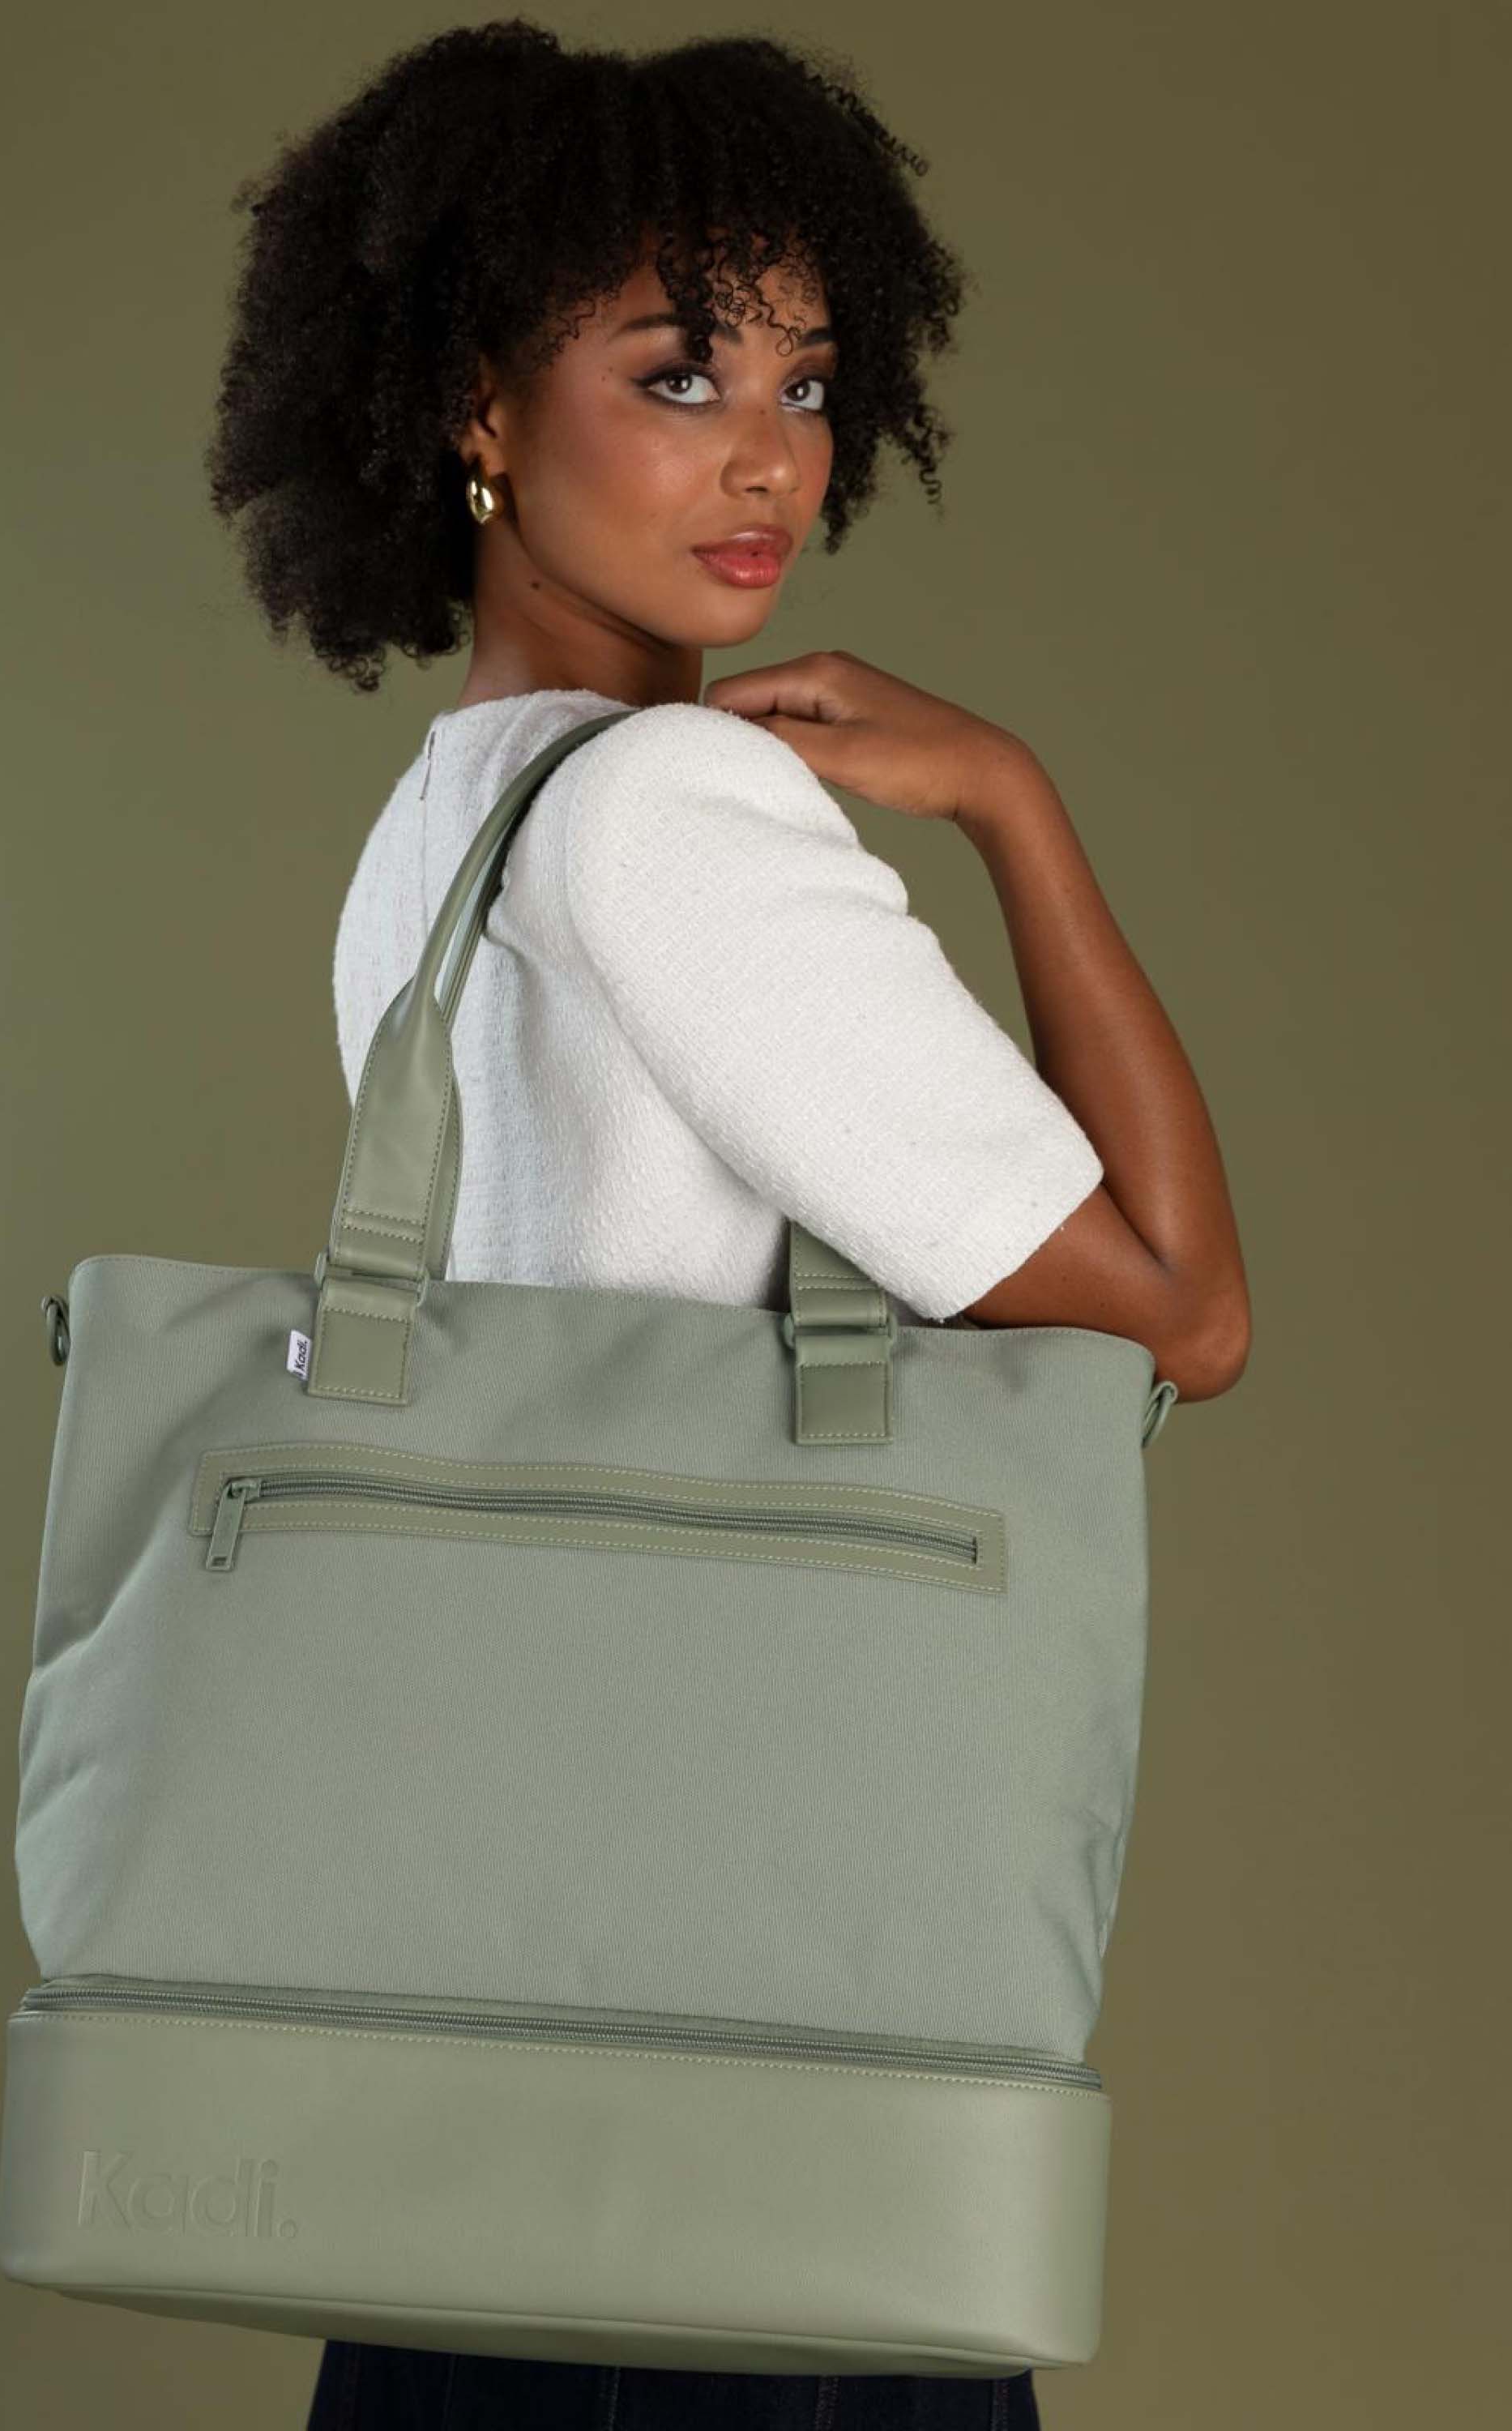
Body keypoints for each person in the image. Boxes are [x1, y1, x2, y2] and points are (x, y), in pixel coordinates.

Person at [203, 21, 1252, 2429]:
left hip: (487, 1993)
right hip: (748, 2020)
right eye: (676, 373)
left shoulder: (442, 821)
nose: (768, 451)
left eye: (806, 377)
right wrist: (1014, 803)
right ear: (477, 404)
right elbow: (1181, 1315)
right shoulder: (670, 803)